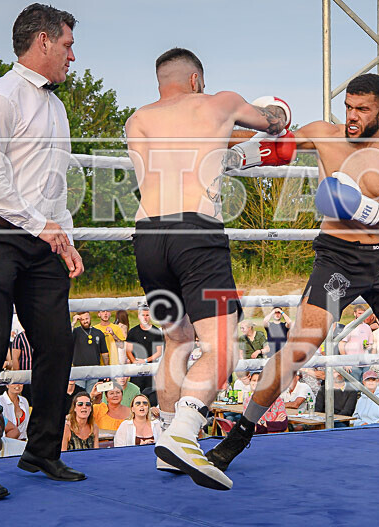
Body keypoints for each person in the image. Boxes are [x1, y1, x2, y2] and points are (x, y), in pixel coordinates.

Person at [208, 74, 379, 475]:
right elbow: (276, 145)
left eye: (362, 109)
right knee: (299, 348)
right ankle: (239, 433)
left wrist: (368, 210)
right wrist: (222, 138)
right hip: (337, 260)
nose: (352, 116)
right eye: (348, 107)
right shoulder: (325, 135)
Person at [125, 47, 293, 491]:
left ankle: (164, 442)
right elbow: (273, 123)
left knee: (176, 341)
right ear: (197, 80)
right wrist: (279, 111)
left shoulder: (137, 119)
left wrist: (233, 154)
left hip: (147, 237)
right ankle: (184, 434)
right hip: (195, 235)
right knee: (222, 345)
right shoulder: (220, 101)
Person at [0, 4, 85, 501]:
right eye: (67, 44)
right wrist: (40, 227)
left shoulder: (56, 106)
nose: (73, 55)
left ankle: (42, 449)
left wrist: (62, 236)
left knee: (57, 343)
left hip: (41, 240)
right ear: (43, 41)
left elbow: (54, 183)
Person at [124, 306, 164, 394]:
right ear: (139, 316)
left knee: (150, 394)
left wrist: (145, 360)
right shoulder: (133, 332)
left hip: (151, 369)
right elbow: (128, 350)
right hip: (136, 369)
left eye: (147, 315)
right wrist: (134, 361)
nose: (145, 318)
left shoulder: (156, 331)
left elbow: (159, 352)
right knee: (136, 393)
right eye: (143, 315)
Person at [71, 312, 109, 391]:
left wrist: (106, 370)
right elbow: (66, 337)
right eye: (82, 319)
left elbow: (104, 353)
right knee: (79, 394)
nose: (85, 321)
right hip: (79, 370)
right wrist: (73, 322)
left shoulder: (98, 333)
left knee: (92, 394)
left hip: (94, 370)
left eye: (87, 319)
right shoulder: (75, 332)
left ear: (90, 318)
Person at [338, 305, 374, 385]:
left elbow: (371, 344)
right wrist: (346, 363)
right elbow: (341, 344)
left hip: (366, 364)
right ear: (355, 314)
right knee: (352, 389)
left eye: (363, 314)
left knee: (366, 389)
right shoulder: (349, 326)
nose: (362, 316)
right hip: (352, 364)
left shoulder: (367, 327)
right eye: (359, 313)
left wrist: (368, 346)